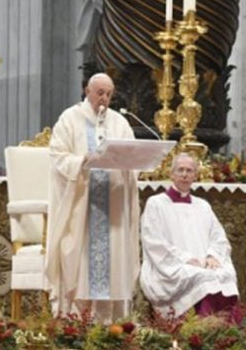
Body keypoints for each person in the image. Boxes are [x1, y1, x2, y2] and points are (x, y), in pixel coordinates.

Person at [46, 72, 138, 322]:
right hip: (82, 207)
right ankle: (77, 321)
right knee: (82, 262)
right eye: (100, 93)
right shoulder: (70, 119)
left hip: (113, 208)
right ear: (87, 91)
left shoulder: (120, 122)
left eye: (109, 94)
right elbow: (57, 157)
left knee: (113, 264)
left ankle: (112, 324)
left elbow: (131, 155)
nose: (104, 99)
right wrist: (81, 161)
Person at [140, 153, 241, 322]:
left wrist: (212, 255)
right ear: (171, 174)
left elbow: (218, 237)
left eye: (189, 170)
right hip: (171, 266)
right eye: (180, 170)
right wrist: (185, 258)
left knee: (225, 274)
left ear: (195, 175)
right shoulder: (156, 203)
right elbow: (154, 242)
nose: (185, 174)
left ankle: (225, 335)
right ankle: (197, 332)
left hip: (203, 262)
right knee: (202, 278)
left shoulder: (202, 205)